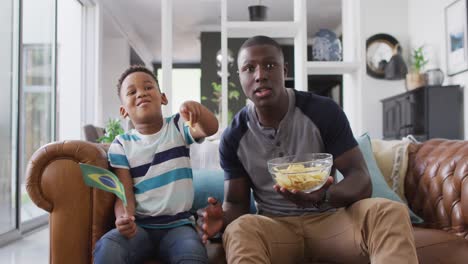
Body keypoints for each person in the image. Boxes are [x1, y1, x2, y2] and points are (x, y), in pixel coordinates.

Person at [200, 36, 418, 264]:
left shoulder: (323, 111)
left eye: (269, 66)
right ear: (241, 77)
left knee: (389, 211)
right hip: (275, 227)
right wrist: (222, 220)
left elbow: (361, 179)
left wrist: (323, 196)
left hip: (331, 221)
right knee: (239, 229)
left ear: (284, 70)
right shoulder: (234, 136)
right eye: (249, 68)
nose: (260, 75)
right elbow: (237, 203)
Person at [93, 65, 219, 264]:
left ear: (163, 98)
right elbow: (124, 194)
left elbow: (210, 128)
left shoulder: (177, 126)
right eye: (132, 92)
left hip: (179, 227)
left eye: (148, 87)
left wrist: (198, 111)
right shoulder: (121, 144)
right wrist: (124, 219)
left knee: (193, 255)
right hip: (140, 227)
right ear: (123, 110)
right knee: (109, 246)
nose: (141, 93)